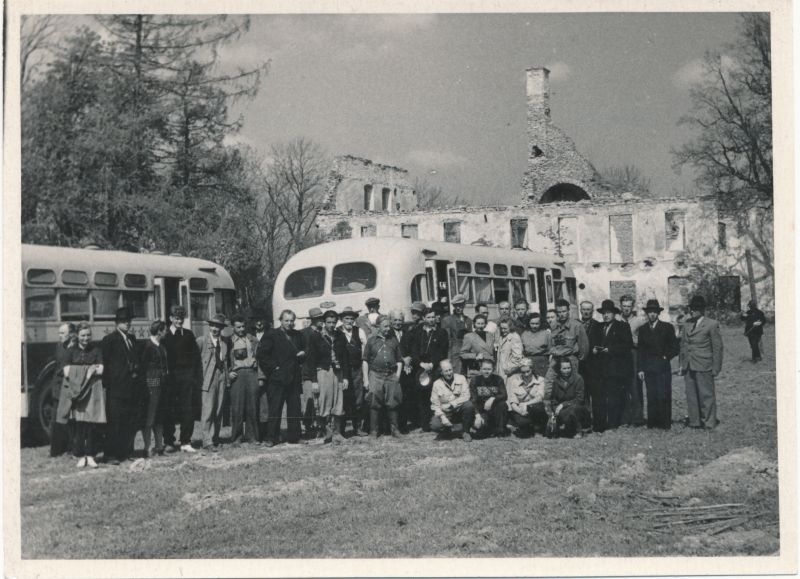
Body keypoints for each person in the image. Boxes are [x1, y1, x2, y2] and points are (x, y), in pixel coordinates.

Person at [58, 322, 105, 468]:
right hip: (77, 391)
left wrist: (82, 370)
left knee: (91, 424)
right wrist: (89, 370)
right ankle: (80, 455)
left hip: (92, 390)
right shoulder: (70, 351)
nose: (86, 338)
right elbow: (66, 371)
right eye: (83, 335)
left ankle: (90, 455)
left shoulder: (96, 350)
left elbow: (101, 369)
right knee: (79, 424)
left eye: (88, 335)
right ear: (77, 336)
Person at [258, 310, 304, 447]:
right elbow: (262, 355)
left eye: (291, 321)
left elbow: (303, 351)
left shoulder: (297, 335)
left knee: (294, 408)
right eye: (286, 320)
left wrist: (302, 355)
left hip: (294, 378)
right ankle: (271, 437)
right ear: (280, 320)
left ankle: (294, 437)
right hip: (277, 379)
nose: (289, 323)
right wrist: (274, 368)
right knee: (275, 408)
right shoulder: (271, 334)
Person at [101, 307, 140, 465]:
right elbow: (105, 364)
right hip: (116, 389)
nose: (128, 324)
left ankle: (126, 452)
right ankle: (110, 455)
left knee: (129, 421)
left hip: (131, 388)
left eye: (129, 321)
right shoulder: (109, 340)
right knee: (114, 422)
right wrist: (107, 386)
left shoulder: (132, 339)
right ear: (117, 323)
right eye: (124, 321)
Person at [679, 295, 723, 430]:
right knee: (691, 395)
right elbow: (683, 345)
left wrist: (716, 368)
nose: (692, 311)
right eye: (691, 308)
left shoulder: (712, 324)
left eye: (695, 309)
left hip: (704, 365)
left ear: (702, 310)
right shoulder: (687, 324)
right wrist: (682, 364)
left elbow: (717, 348)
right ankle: (695, 421)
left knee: (706, 395)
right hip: (689, 365)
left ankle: (709, 422)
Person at [590, 300, 633, 432]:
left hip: (615, 368)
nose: (606, 315)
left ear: (614, 314)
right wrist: (594, 349)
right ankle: (600, 423)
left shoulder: (622, 327)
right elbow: (592, 342)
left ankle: (613, 422)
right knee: (599, 396)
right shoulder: (598, 327)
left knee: (614, 395)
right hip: (600, 368)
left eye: (608, 313)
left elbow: (627, 346)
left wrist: (610, 350)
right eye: (604, 313)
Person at [162, 305, 200, 454]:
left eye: (181, 318)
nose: (179, 321)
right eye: (176, 318)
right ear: (171, 319)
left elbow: (195, 357)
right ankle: (169, 442)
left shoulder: (189, 335)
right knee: (169, 410)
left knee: (187, 409)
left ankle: (185, 441)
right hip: (170, 378)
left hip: (186, 377)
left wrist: (193, 376)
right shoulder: (165, 336)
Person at [307, 310, 349, 444]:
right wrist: (314, 381)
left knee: (338, 401)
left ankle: (337, 433)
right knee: (322, 401)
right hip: (322, 372)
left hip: (338, 373)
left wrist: (346, 377)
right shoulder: (315, 336)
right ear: (324, 322)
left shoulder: (340, 336)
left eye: (334, 322)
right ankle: (323, 433)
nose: (331, 325)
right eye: (329, 322)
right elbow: (311, 360)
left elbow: (345, 358)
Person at [637, 299, 679, 430]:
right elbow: (641, 351)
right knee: (651, 394)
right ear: (647, 314)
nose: (652, 315)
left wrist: (666, 356)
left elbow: (675, 347)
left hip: (662, 366)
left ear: (658, 313)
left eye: (654, 312)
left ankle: (665, 423)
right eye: (650, 312)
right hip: (649, 366)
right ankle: (653, 422)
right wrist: (641, 369)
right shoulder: (643, 329)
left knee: (664, 393)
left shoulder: (667, 327)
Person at [363, 315, 404, 438]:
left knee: (393, 402)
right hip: (375, 374)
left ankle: (395, 429)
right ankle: (374, 431)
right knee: (374, 402)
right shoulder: (371, 341)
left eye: (389, 326)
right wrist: (366, 379)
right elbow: (365, 360)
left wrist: (397, 376)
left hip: (391, 375)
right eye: (385, 326)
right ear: (378, 327)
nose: (388, 329)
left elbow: (399, 360)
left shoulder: (393, 340)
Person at [410, 307, 449, 432]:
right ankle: (424, 424)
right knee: (422, 396)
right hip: (420, 368)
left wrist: (433, 363)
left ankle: (438, 422)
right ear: (423, 318)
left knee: (436, 395)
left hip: (435, 368)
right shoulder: (416, 332)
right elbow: (413, 350)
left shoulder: (441, 332)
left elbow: (443, 351)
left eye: (433, 317)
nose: (432, 320)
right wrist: (421, 363)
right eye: (428, 317)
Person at [196, 314, 231, 451]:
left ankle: (215, 438)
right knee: (208, 410)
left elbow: (225, 361)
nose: (215, 328)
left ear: (222, 328)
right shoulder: (201, 341)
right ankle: (206, 441)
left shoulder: (224, 342)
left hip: (221, 377)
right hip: (207, 378)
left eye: (218, 326)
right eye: (212, 325)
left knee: (218, 409)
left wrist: (226, 378)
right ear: (209, 326)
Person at [229, 314, 261, 444]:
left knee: (252, 405)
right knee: (237, 407)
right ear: (233, 327)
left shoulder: (252, 339)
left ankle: (252, 436)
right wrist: (229, 373)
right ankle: (236, 437)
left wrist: (257, 364)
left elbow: (260, 356)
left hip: (251, 373)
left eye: (243, 326)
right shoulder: (228, 341)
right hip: (237, 375)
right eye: (238, 327)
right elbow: (224, 360)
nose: (241, 329)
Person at [338, 307, 368, 437]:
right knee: (342, 399)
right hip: (341, 371)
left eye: (351, 319)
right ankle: (341, 430)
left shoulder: (359, 331)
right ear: (341, 320)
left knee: (358, 398)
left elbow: (365, 351)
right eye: (346, 318)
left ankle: (358, 428)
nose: (349, 321)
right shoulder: (337, 332)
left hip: (356, 370)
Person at [140, 321, 169, 457]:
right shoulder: (147, 346)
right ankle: (148, 447)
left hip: (162, 387)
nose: (166, 332)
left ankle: (159, 446)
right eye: (165, 330)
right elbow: (143, 368)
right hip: (151, 386)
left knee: (160, 417)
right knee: (149, 418)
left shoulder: (162, 346)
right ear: (159, 331)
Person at [544, 357, 591, 438]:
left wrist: (563, 405)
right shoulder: (556, 381)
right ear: (559, 369)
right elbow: (553, 399)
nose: (567, 370)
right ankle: (561, 427)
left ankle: (578, 430)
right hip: (561, 410)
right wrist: (554, 411)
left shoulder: (578, 379)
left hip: (577, 408)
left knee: (573, 410)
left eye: (569, 368)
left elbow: (579, 399)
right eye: (564, 368)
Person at [430, 360, 475, 442]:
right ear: (441, 372)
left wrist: (452, 404)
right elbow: (435, 404)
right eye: (446, 371)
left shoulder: (461, 378)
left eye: (450, 370)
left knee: (469, 405)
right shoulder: (437, 384)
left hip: (459, 409)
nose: (449, 373)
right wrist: (442, 417)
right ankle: (448, 430)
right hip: (446, 413)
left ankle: (466, 432)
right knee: (434, 425)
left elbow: (466, 396)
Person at [618, 295, 646, 426]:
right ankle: (624, 417)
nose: (626, 309)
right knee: (622, 386)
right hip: (620, 356)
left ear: (632, 307)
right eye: (624, 306)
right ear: (620, 306)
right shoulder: (617, 319)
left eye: (629, 306)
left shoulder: (639, 321)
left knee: (635, 385)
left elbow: (644, 341)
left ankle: (637, 418)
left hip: (633, 353)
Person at [50, 323, 77, 457]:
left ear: (71, 334)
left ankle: (72, 447)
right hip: (58, 385)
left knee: (70, 418)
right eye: (59, 333)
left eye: (62, 333)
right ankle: (56, 449)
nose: (59, 336)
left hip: (69, 386)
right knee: (57, 418)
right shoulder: (59, 346)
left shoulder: (75, 348)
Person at [547, 298, 589, 379]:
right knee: (549, 381)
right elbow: (550, 345)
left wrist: (576, 360)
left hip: (570, 359)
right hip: (556, 359)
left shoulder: (577, 325)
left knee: (570, 384)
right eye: (559, 312)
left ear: (568, 311)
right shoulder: (554, 326)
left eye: (564, 311)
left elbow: (584, 348)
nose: (562, 314)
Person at [299, 308, 325, 440]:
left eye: (322, 318)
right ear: (312, 320)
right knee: (309, 400)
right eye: (318, 319)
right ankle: (308, 427)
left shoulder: (324, 333)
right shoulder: (304, 333)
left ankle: (321, 427)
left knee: (320, 401)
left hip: (321, 371)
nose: (321, 321)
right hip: (308, 372)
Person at [399, 303, 425, 431]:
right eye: (413, 312)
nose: (414, 315)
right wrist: (405, 358)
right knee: (410, 392)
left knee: (420, 391)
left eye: (418, 313)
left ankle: (421, 420)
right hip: (410, 363)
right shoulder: (409, 327)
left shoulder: (423, 328)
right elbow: (404, 345)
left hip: (420, 363)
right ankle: (413, 419)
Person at [506, 358, 547, 437]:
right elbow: (513, 403)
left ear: (532, 369)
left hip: (534, 408)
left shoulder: (540, 380)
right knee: (525, 433)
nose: (526, 374)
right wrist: (520, 412)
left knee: (539, 408)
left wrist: (526, 404)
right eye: (523, 372)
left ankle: (538, 426)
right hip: (520, 410)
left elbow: (540, 397)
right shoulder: (514, 381)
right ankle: (526, 426)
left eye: (528, 371)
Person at [468, 359, 508, 438]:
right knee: (479, 428)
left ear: (492, 370)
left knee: (502, 404)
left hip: (494, 410)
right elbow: (473, 399)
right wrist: (477, 415)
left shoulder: (498, 379)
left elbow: (504, 395)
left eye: (489, 369)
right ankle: (489, 427)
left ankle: (500, 430)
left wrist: (492, 399)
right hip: (481, 411)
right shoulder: (475, 380)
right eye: (484, 369)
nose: (486, 371)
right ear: (481, 369)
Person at [440, 294, 472, 374]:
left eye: (460, 305)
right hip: (454, 353)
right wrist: (448, 357)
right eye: (456, 305)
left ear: (464, 305)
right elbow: (447, 341)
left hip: (467, 353)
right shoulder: (447, 320)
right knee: (456, 375)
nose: (458, 307)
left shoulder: (468, 320)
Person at [578, 301, 602, 405]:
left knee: (596, 394)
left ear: (592, 311)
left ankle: (598, 420)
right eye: (584, 309)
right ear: (580, 310)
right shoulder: (576, 325)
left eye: (588, 310)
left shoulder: (598, 325)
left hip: (594, 365)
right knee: (582, 394)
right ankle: (585, 419)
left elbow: (601, 343)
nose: (586, 312)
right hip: (580, 365)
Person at [519, 313, 550, 378]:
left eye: (537, 324)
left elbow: (551, 350)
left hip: (542, 362)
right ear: (528, 323)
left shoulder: (546, 334)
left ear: (540, 323)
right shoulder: (524, 334)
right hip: (528, 362)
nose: (534, 326)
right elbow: (521, 350)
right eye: (532, 324)